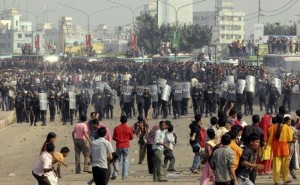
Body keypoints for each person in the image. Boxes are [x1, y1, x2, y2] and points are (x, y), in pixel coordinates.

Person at [267, 115, 293, 185]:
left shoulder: (272, 127)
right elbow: (290, 139)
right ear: (283, 120)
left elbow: (269, 135)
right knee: (285, 165)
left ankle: (276, 181)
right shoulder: (287, 127)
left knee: (276, 166)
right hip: (284, 148)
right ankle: (285, 179)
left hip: (276, 148)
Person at [111, 115, 134, 180]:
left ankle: (115, 174)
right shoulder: (129, 128)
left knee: (117, 160)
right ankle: (124, 175)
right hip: (126, 145)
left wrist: (118, 140)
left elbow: (113, 137)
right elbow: (131, 138)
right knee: (125, 161)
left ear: (120, 120)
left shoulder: (116, 128)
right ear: (126, 121)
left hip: (119, 146)